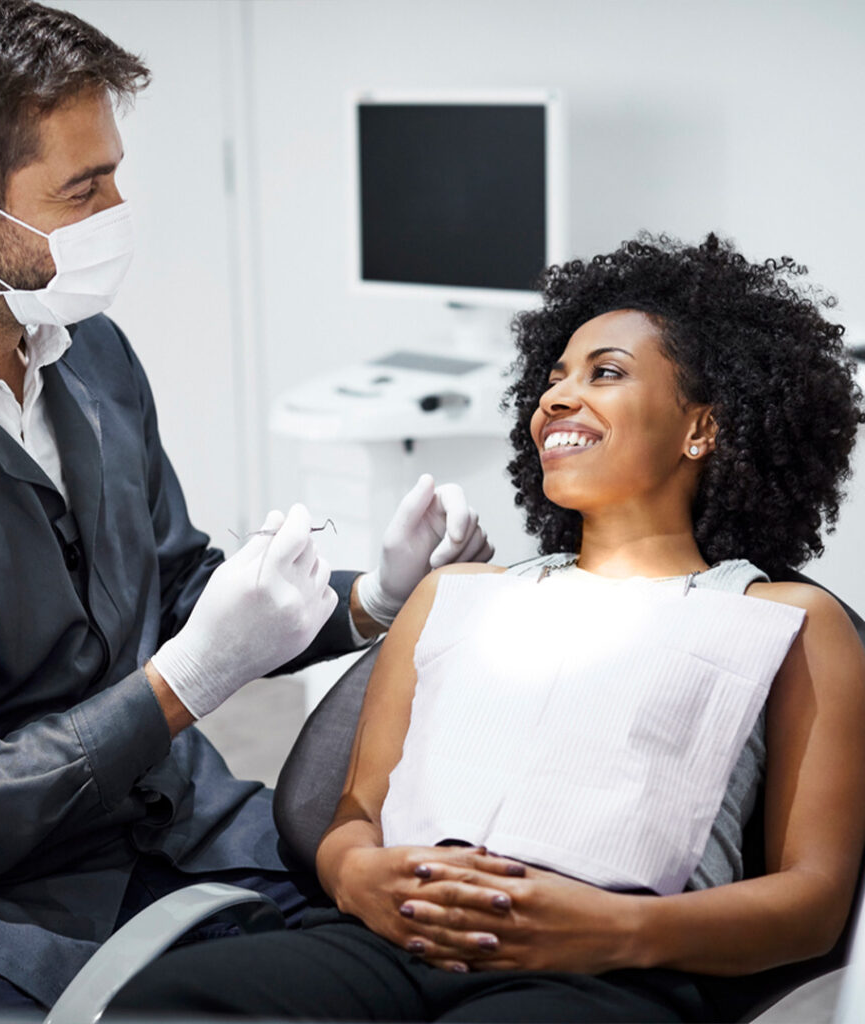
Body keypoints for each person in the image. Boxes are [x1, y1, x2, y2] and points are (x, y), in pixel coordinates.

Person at [0, 0, 494, 1015]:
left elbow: (178, 583)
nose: (116, 212)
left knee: (434, 968)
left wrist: (368, 595)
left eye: (114, 175)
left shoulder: (82, 349)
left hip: (175, 822)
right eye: (83, 187)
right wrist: (180, 685)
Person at [109, 234, 865, 1023]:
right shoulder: (453, 595)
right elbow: (353, 815)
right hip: (384, 948)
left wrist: (618, 929)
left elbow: (811, 905)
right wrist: (353, 875)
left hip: (603, 977)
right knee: (167, 1002)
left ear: (701, 428)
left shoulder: (785, 621)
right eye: (553, 377)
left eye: (604, 373)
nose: (556, 399)